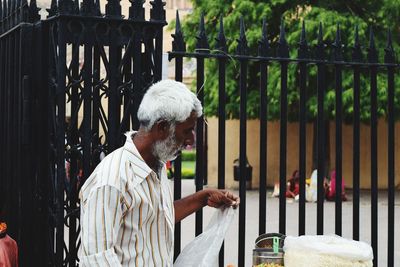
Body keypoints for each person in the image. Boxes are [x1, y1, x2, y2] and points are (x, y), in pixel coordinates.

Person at [79, 80, 240, 266]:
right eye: (187, 131)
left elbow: (156, 218)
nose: (190, 140)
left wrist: (203, 198)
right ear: (162, 127)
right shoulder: (111, 180)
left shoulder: (156, 164)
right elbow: (97, 259)